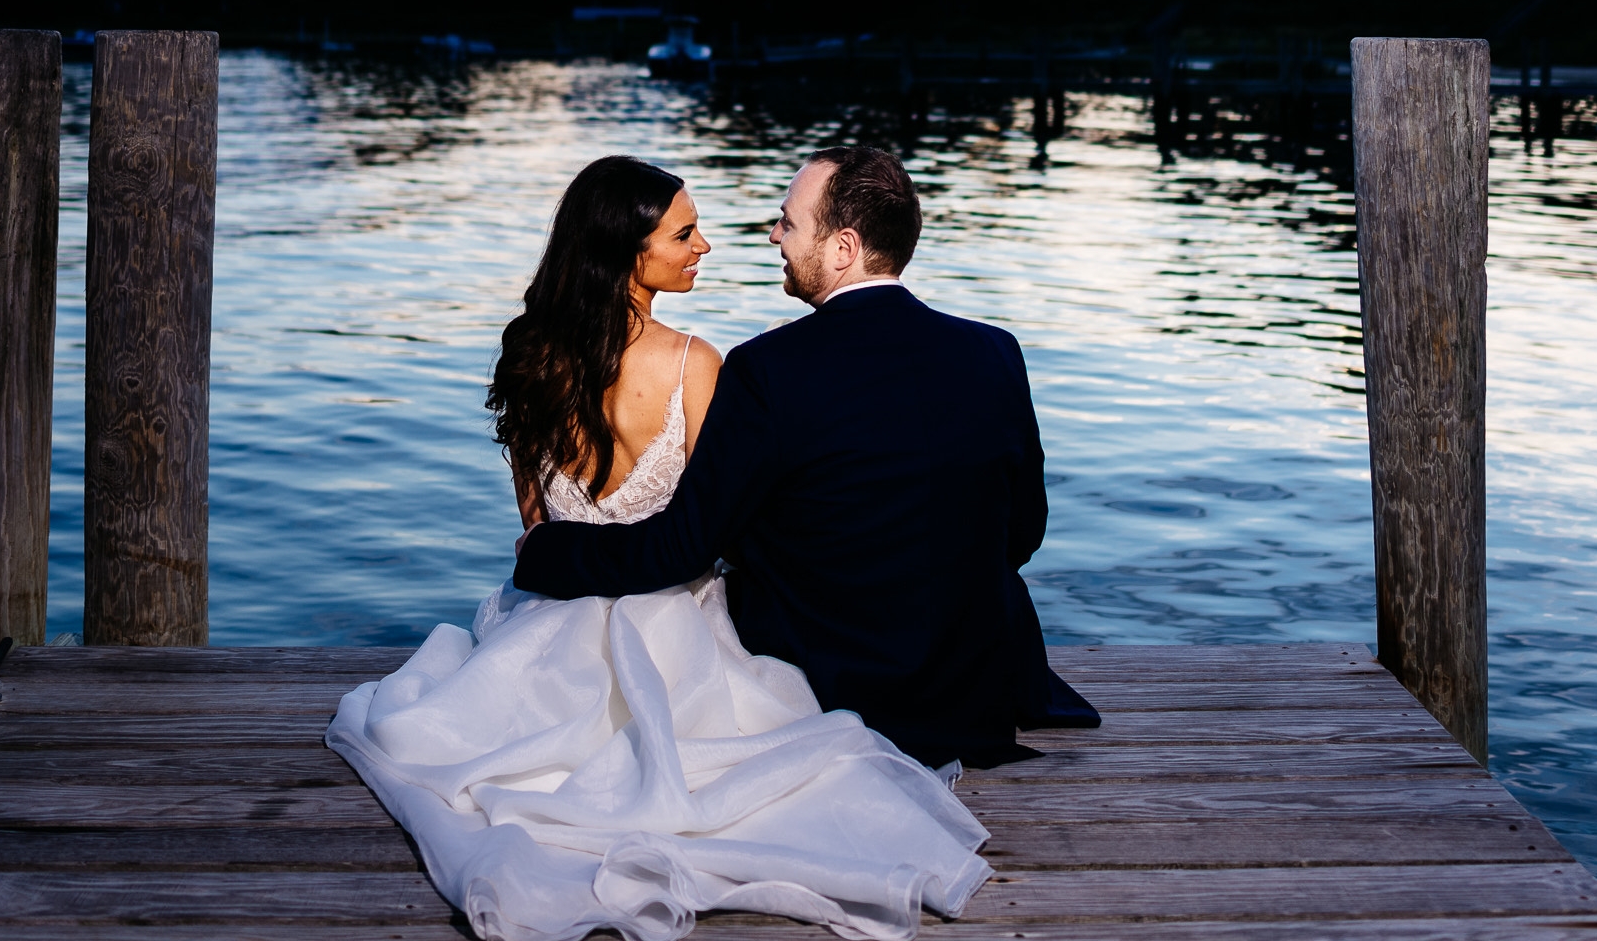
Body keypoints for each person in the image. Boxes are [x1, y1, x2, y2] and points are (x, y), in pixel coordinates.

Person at [326, 155, 993, 941]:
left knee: (468, 746)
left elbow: (536, 523)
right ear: (628, 252)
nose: (706, 244)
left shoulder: (529, 355)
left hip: (546, 615)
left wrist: (548, 561)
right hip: (677, 627)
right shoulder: (697, 366)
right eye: (684, 232)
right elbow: (718, 530)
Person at [513, 145, 1097, 766]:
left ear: (842, 249)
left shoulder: (767, 369)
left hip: (831, 691)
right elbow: (1022, 535)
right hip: (969, 692)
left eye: (789, 223)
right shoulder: (996, 353)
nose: (774, 236)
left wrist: (547, 548)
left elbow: (681, 549)